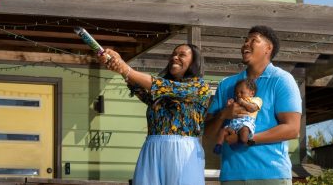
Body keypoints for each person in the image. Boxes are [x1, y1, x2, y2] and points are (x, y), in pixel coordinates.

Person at [101, 43, 210, 185]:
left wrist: (125, 68)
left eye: (181, 55)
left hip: (183, 150)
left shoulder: (199, 87)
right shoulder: (160, 91)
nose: (175, 57)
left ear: (194, 62)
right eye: (173, 54)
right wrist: (119, 65)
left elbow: (163, 86)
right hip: (152, 147)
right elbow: (141, 89)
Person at [204, 25, 302, 184]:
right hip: (231, 176)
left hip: (271, 176)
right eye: (245, 41)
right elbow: (208, 134)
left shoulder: (282, 80)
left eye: (253, 41)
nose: (245, 44)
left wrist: (246, 139)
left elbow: (292, 129)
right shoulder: (226, 85)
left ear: (268, 48)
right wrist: (223, 114)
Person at [213, 78, 262, 154]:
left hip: (245, 123)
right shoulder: (236, 101)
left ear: (252, 93)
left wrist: (243, 103)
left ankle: (245, 141)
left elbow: (253, 109)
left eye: (242, 92)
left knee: (245, 131)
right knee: (223, 131)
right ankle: (219, 145)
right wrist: (229, 106)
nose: (238, 95)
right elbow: (229, 112)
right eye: (236, 93)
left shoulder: (256, 100)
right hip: (233, 124)